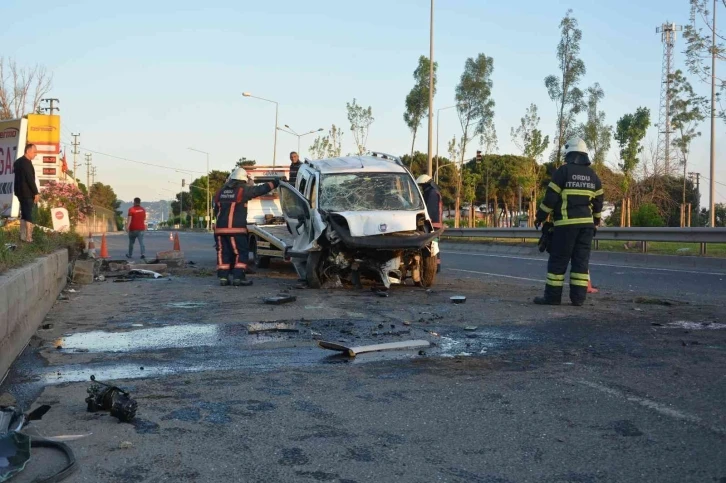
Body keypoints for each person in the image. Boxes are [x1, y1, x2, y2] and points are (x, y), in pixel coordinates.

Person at [534, 137, 603, 306]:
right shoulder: (593, 175)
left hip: (566, 226)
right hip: (586, 227)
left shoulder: (563, 172)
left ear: (569, 153)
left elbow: (550, 198)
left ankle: (552, 298)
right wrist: (596, 220)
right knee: (580, 262)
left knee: (558, 262)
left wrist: (540, 216)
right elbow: (599, 201)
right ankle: (578, 299)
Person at [213, 167, 279, 286]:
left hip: (220, 230)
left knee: (223, 253)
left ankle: (223, 278)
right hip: (236, 229)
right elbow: (259, 190)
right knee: (240, 253)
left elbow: (216, 211)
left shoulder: (220, 191)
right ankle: (238, 278)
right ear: (242, 179)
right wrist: (274, 182)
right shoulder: (242, 190)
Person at [417, 174, 443, 272]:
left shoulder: (432, 193)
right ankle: (436, 266)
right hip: (435, 222)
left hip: (433, 223)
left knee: (433, 244)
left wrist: (424, 220)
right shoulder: (434, 192)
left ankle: (436, 267)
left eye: (422, 185)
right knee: (433, 244)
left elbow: (430, 209)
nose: (422, 188)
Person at [13, 144, 39, 243]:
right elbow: (29, 179)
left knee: (24, 214)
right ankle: (29, 237)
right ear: (28, 151)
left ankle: (22, 236)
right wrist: (35, 192)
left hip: (19, 192)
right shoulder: (26, 163)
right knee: (29, 215)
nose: (35, 154)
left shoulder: (17, 162)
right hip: (27, 193)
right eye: (34, 152)